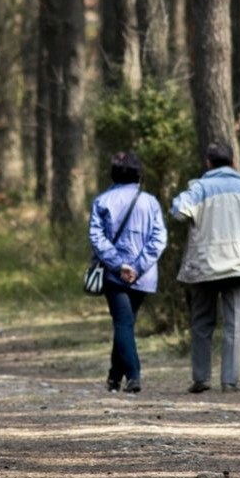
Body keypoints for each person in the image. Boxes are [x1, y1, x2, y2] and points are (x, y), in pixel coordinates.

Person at [171, 142, 240, 394]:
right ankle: (230, 381)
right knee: (235, 324)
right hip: (239, 265)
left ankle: (201, 378)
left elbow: (177, 211)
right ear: (233, 161)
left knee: (201, 322)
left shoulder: (199, 188)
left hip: (204, 265)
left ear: (208, 162)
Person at [89, 152, 168, 394]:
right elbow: (159, 238)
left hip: (114, 275)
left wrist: (118, 265)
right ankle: (114, 377)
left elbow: (96, 237)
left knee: (123, 324)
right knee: (126, 323)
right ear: (138, 174)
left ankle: (132, 375)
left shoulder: (102, 201)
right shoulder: (150, 202)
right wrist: (138, 267)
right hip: (142, 276)